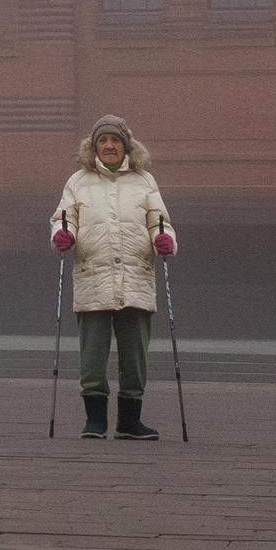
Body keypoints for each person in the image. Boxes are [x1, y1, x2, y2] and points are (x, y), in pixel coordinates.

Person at [49, 114, 175, 445]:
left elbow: (160, 222)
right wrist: (63, 234)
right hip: (94, 279)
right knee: (92, 358)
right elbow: (64, 218)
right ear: (92, 147)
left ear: (126, 146)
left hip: (135, 279)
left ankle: (129, 423)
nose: (109, 145)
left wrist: (165, 241)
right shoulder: (77, 182)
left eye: (115, 141)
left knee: (135, 357)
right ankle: (94, 420)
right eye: (102, 141)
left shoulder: (145, 181)